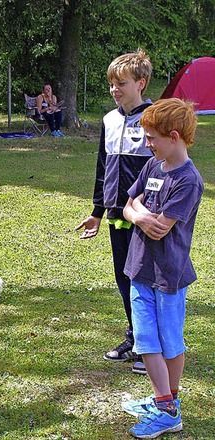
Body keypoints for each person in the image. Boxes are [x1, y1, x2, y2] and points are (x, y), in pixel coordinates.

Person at [120, 98, 202, 438]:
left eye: (151, 137)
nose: (147, 144)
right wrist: (138, 213)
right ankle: (162, 401)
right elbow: (129, 206)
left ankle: (169, 409)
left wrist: (141, 212)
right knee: (146, 341)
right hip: (140, 268)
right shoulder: (153, 166)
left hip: (169, 276)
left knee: (169, 342)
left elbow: (162, 226)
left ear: (173, 136)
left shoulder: (188, 180)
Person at [75, 48, 153, 375]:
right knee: (124, 278)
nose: (114, 89)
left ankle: (149, 347)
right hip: (116, 215)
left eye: (121, 83)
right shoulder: (108, 120)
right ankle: (135, 339)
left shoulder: (155, 118)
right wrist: (97, 211)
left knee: (143, 280)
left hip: (145, 218)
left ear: (142, 83)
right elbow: (102, 168)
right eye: (111, 84)